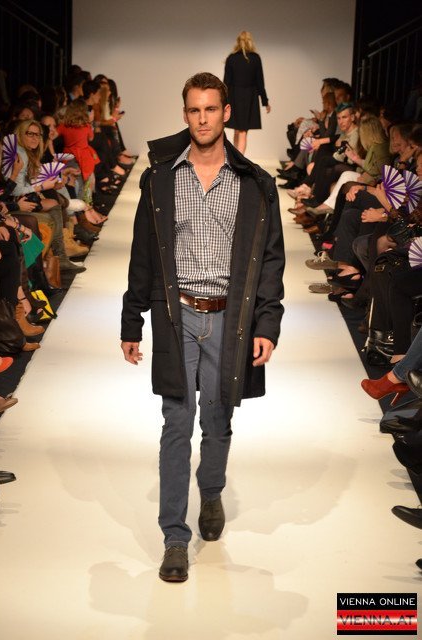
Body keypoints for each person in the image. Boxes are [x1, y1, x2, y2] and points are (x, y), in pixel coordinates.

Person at [121, 72, 285, 583]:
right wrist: (131, 319)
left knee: (217, 421)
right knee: (176, 423)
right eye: (194, 110)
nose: (203, 118)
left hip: (230, 319)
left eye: (211, 109)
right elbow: (144, 252)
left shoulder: (254, 183)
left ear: (226, 113)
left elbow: (271, 259)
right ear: (185, 114)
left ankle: (210, 491)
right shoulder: (162, 178)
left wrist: (267, 322)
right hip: (177, 315)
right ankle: (174, 537)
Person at [224, 31, 270, 154]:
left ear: (238, 42)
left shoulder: (231, 58)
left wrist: (223, 100)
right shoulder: (255, 58)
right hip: (250, 97)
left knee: (237, 130)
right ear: (250, 41)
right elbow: (260, 82)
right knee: (243, 131)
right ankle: (239, 161)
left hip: (234, 96)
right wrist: (265, 101)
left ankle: (235, 159)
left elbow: (226, 82)